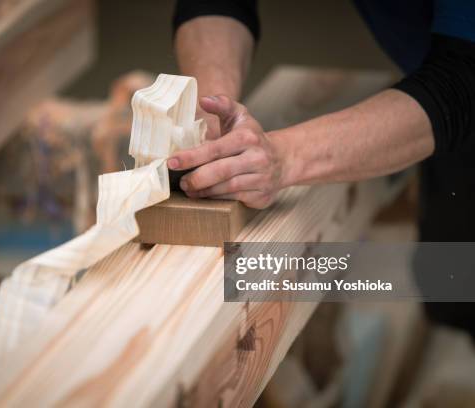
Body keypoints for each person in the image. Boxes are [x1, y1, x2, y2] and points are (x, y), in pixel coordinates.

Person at [169, 1, 475, 338]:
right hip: (439, 72)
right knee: (452, 288)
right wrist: (213, 112)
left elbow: (464, 80)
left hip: (458, 83)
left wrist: (283, 157)